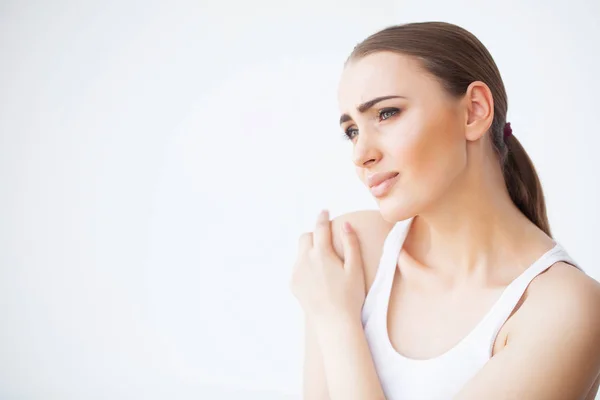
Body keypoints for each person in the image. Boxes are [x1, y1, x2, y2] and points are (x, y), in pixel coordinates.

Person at [289, 21, 600, 400]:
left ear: (473, 111)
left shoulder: (562, 308)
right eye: (352, 130)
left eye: (387, 114)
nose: (361, 154)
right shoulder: (352, 250)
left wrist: (337, 323)